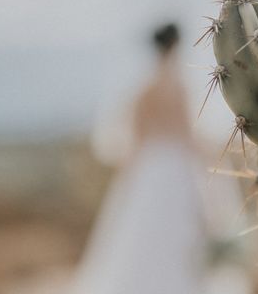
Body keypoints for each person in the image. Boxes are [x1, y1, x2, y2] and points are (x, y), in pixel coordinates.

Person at [71, 23, 205, 294]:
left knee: (141, 238)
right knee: (179, 235)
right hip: (176, 167)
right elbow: (189, 134)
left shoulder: (143, 88)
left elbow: (137, 139)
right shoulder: (178, 85)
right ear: (176, 46)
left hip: (150, 169)